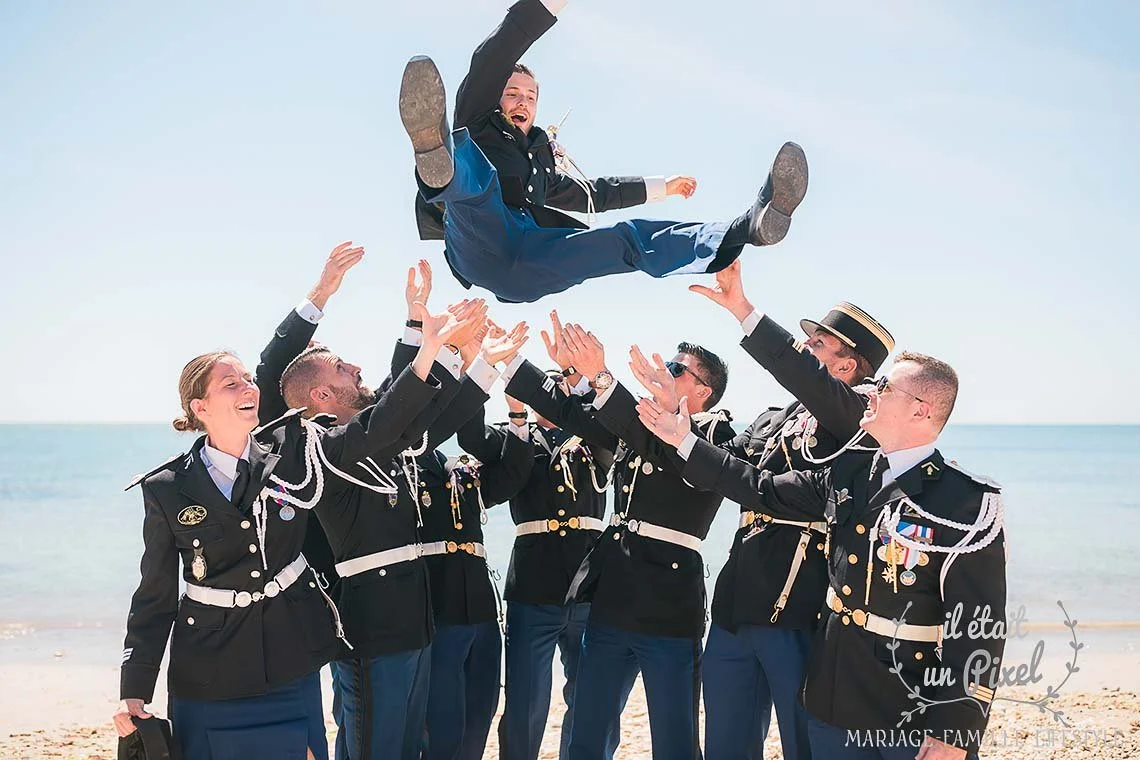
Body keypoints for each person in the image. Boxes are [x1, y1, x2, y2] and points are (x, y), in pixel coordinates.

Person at [113, 297, 462, 759]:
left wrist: (425, 358)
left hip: (289, 663)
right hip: (208, 673)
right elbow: (154, 597)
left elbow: (374, 429)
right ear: (200, 406)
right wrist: (135, 687)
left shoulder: (295, 446)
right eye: (230, 383)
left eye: (249, 381)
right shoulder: (167, 488)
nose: (248, 389)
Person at [639, 353, 1007, 760]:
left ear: (920, 411)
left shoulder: (967, 504)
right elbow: (759, 487)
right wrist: (684, 441)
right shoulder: (849, 474)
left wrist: (955, 732)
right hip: (834, 694)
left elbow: (978, 629)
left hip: (911, 705)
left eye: (885, 388)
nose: (872, 393)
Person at [254, 250, 516, 760]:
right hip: (364, 616)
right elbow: (390, 412)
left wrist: (472, 360)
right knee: (371, 742)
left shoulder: (370, 433)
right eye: (341, 366)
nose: (356, 367)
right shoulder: (313, 443)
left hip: (411, 616)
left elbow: (413, 416)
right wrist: (431, 345)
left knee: (404, 741)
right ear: (321, 395)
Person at [631, 260, 894, 760]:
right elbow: (728, 471)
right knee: (725, 745)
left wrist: (743, 311)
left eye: (817, 347)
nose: (804, 352)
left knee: (805, 745)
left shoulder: (860, 416)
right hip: (736, 602)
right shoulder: (774, 419)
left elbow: (758, 483)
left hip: (797, 609)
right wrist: (676, 417)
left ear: (845, 367)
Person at [399, 0, 808, 303]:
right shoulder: (478, 118)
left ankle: (745, 230)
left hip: (531, 263)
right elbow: (493, 56)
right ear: (495, 98)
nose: (521, 103)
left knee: (624, 241)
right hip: (479, 242)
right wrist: (546, 6)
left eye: (530, 97)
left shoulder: (540, 169)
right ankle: (438, 162)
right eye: (511, 94)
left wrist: (662, 187)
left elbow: (598, 194)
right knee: (476, 178)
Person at [501, 316, 734, 759]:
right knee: (588, 731)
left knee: (676, 738)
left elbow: (672, 453)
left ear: (703, 391)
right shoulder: (641, 425)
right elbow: (571, 413)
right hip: (612, 598)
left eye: (676, 368)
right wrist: (510, 361)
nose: (664, 371)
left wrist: (601, 375)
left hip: (669, 604)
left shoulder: (715, 433)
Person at [456, 363, 615, 760]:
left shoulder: (592, 434)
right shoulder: (515, 436)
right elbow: (471, 435)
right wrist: (485, 375)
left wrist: (586, 382)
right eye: (549, 385)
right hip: (533, 585)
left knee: (593, 694)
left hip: (590, 585)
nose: (555, 390)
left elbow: (608, 426)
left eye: (561, 384)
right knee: (526, 698)